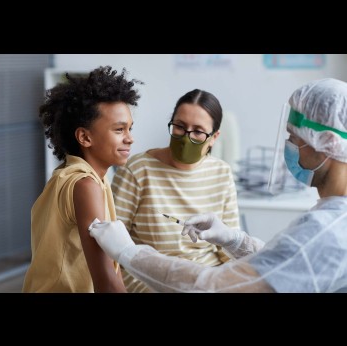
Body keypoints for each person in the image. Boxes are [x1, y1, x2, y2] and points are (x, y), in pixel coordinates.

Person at [89, 78, 347, 293]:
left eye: (294, 138)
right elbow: (281, 262)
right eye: (179, 126)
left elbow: (214, 286)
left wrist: (128, 252)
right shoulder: (332, 220)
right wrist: (233, 239)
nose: (288, 147)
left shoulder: (329, 231)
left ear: (327, 143)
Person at [22, 66, 143, 293]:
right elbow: (106, 282)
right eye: (119, 130)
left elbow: (110, 268)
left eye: (129, 128)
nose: (130, 139)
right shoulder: (84, 186)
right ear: (85, 137)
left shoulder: (75, 175)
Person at [111, 89, 240, 292]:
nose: (186, 137)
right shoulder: (137, 170)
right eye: (180, 126)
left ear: (214, 137)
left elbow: (229, 252)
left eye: (198, 131)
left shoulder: (221, 173)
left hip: (206, 281)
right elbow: (113, 244)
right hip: (149, 280)